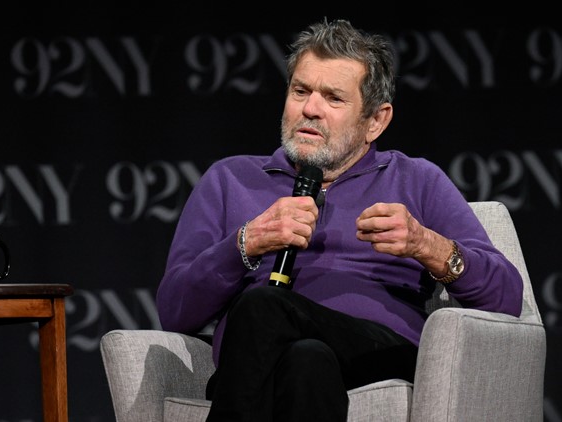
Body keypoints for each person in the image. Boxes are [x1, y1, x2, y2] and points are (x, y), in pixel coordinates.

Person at [156, 18, 523, 422]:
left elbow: (505, 297)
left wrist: (426, 244)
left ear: (375, 121)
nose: (310, 109)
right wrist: (246, 242)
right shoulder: (230, 179)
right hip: (273, 359)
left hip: (379, 350)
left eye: (333, 98)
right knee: (306, 361)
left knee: (262, 305)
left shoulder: (416, 180)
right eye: (300, 91)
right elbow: (176, 310)